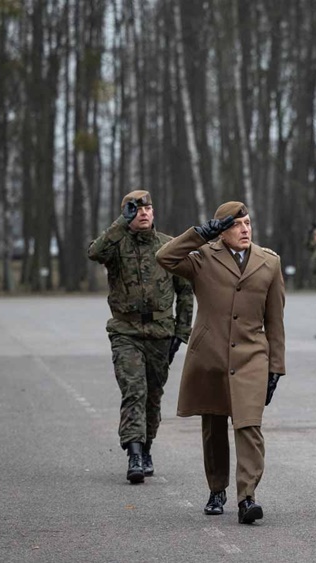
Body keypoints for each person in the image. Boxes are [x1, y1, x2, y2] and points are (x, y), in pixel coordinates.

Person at [156, 201, 286, 525]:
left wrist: (276, 368)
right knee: (213, 428)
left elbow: (276, 321)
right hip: (210, 355)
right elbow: (165, 257)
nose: (244, 230)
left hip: (252, 355)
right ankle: (217, 489)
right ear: (220, 231)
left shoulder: (269, 262)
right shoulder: (201, 259)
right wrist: (198, 235)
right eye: (235, 225)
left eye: (247, 223)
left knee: (249, 426)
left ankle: (247, 498)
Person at [87, 190, 193, 484]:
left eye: (148, 208)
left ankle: (146, 449)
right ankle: (133, 453)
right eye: (136, 209)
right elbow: (94, 252)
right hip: (126, 331)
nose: (143, 213)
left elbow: (185, 291)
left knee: (153, 397)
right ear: (126, 215)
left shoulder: (169, 246)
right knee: (134, 390)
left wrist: (182, 332)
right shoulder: (115, 244)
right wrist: (122, 222)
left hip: (161, 332)